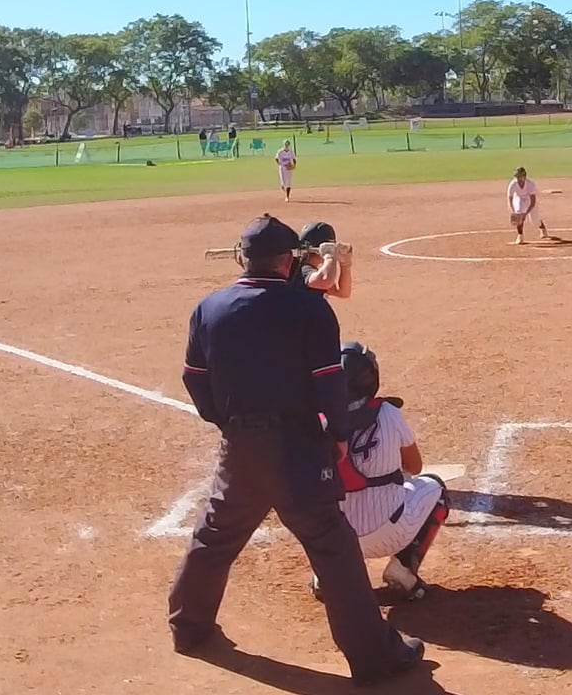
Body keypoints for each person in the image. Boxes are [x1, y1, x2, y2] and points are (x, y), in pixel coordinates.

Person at [168, 216, 426, 684]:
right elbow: (329, 383)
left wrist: (227, 422)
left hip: (240, 447)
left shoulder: (209, 307)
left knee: (215, 536)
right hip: (297, 449)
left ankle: (188, 628)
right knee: (333, 548)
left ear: (243, 259)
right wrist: (340, 436)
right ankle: (374, 657)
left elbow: (195, 379)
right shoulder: (308, 308)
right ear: (288, 261)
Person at [317, 343, 449, 602]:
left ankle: (327, 574)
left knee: (310, 503)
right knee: (436, 488)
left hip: (337, 540)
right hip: (392, 533)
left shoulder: (318, 421)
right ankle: (403, 568)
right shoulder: (389, 413)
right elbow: (415, 467)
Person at [297, 221, 353, 299]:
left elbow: (343, 292)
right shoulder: (303, 270)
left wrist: (345, 265)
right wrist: (330, 257)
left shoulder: (313, 271)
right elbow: (325, 281)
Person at [507, 167, 550, 245]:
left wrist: (525, 214)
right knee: (518, 214)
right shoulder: (512, 184)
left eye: (520, 176)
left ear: (524, 176)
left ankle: (542, 228)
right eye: (517, 176)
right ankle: (520, 236)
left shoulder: (530, 184)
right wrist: (513, 212)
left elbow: (532, 202)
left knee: (534, 220)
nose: (518, 178)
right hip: (519, 198)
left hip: (529, 200)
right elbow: (510, 199)